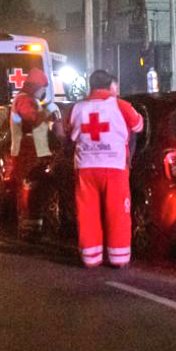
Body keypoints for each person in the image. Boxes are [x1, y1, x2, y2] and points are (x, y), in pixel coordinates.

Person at [68, 69, 144, 268]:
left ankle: (91, 257)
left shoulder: (78, 108)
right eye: (115, 87)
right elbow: (138, 126)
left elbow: (69, 133)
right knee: (118, 212)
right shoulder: (121, 106)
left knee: (87, 212)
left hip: (86, 167)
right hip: (114, 167)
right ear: (111, 86)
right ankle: (118, 258)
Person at [10, 67, 59, 230]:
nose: (43, 93)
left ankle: (32, 227)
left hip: (31, 152)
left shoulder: (27, 100)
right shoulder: (24, 100)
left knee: (32, 190)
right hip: (27, 152)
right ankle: (27, 228)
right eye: (43, 89)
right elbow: (33, 119)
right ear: (37, 87)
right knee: (29, 189)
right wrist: (49, 111)